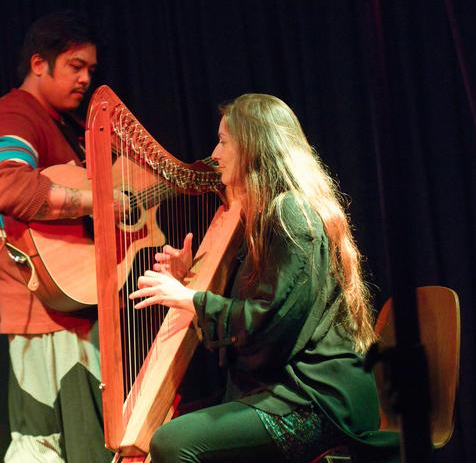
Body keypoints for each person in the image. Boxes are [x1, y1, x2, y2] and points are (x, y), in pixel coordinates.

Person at [130, 94, 399, 462]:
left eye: (224, 142)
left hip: (317, 399)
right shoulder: (265, 217)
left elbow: (270, 323)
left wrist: (189, 298)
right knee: (174, 426)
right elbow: (252, 316)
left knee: (172, 443)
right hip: (284, 388)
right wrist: (188, 281)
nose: (215, 154)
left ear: (253, 148)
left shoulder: (292, 213)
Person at [0, 11, 123, 462]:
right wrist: (96, 202)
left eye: (91, 69)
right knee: (40, 445)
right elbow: (2, 185)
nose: (86, 79)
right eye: (76, 66)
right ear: (39, 63)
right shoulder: (14, 114)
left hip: (73, 304)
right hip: (41, 308)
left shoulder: (63, 123)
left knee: (85, 445)